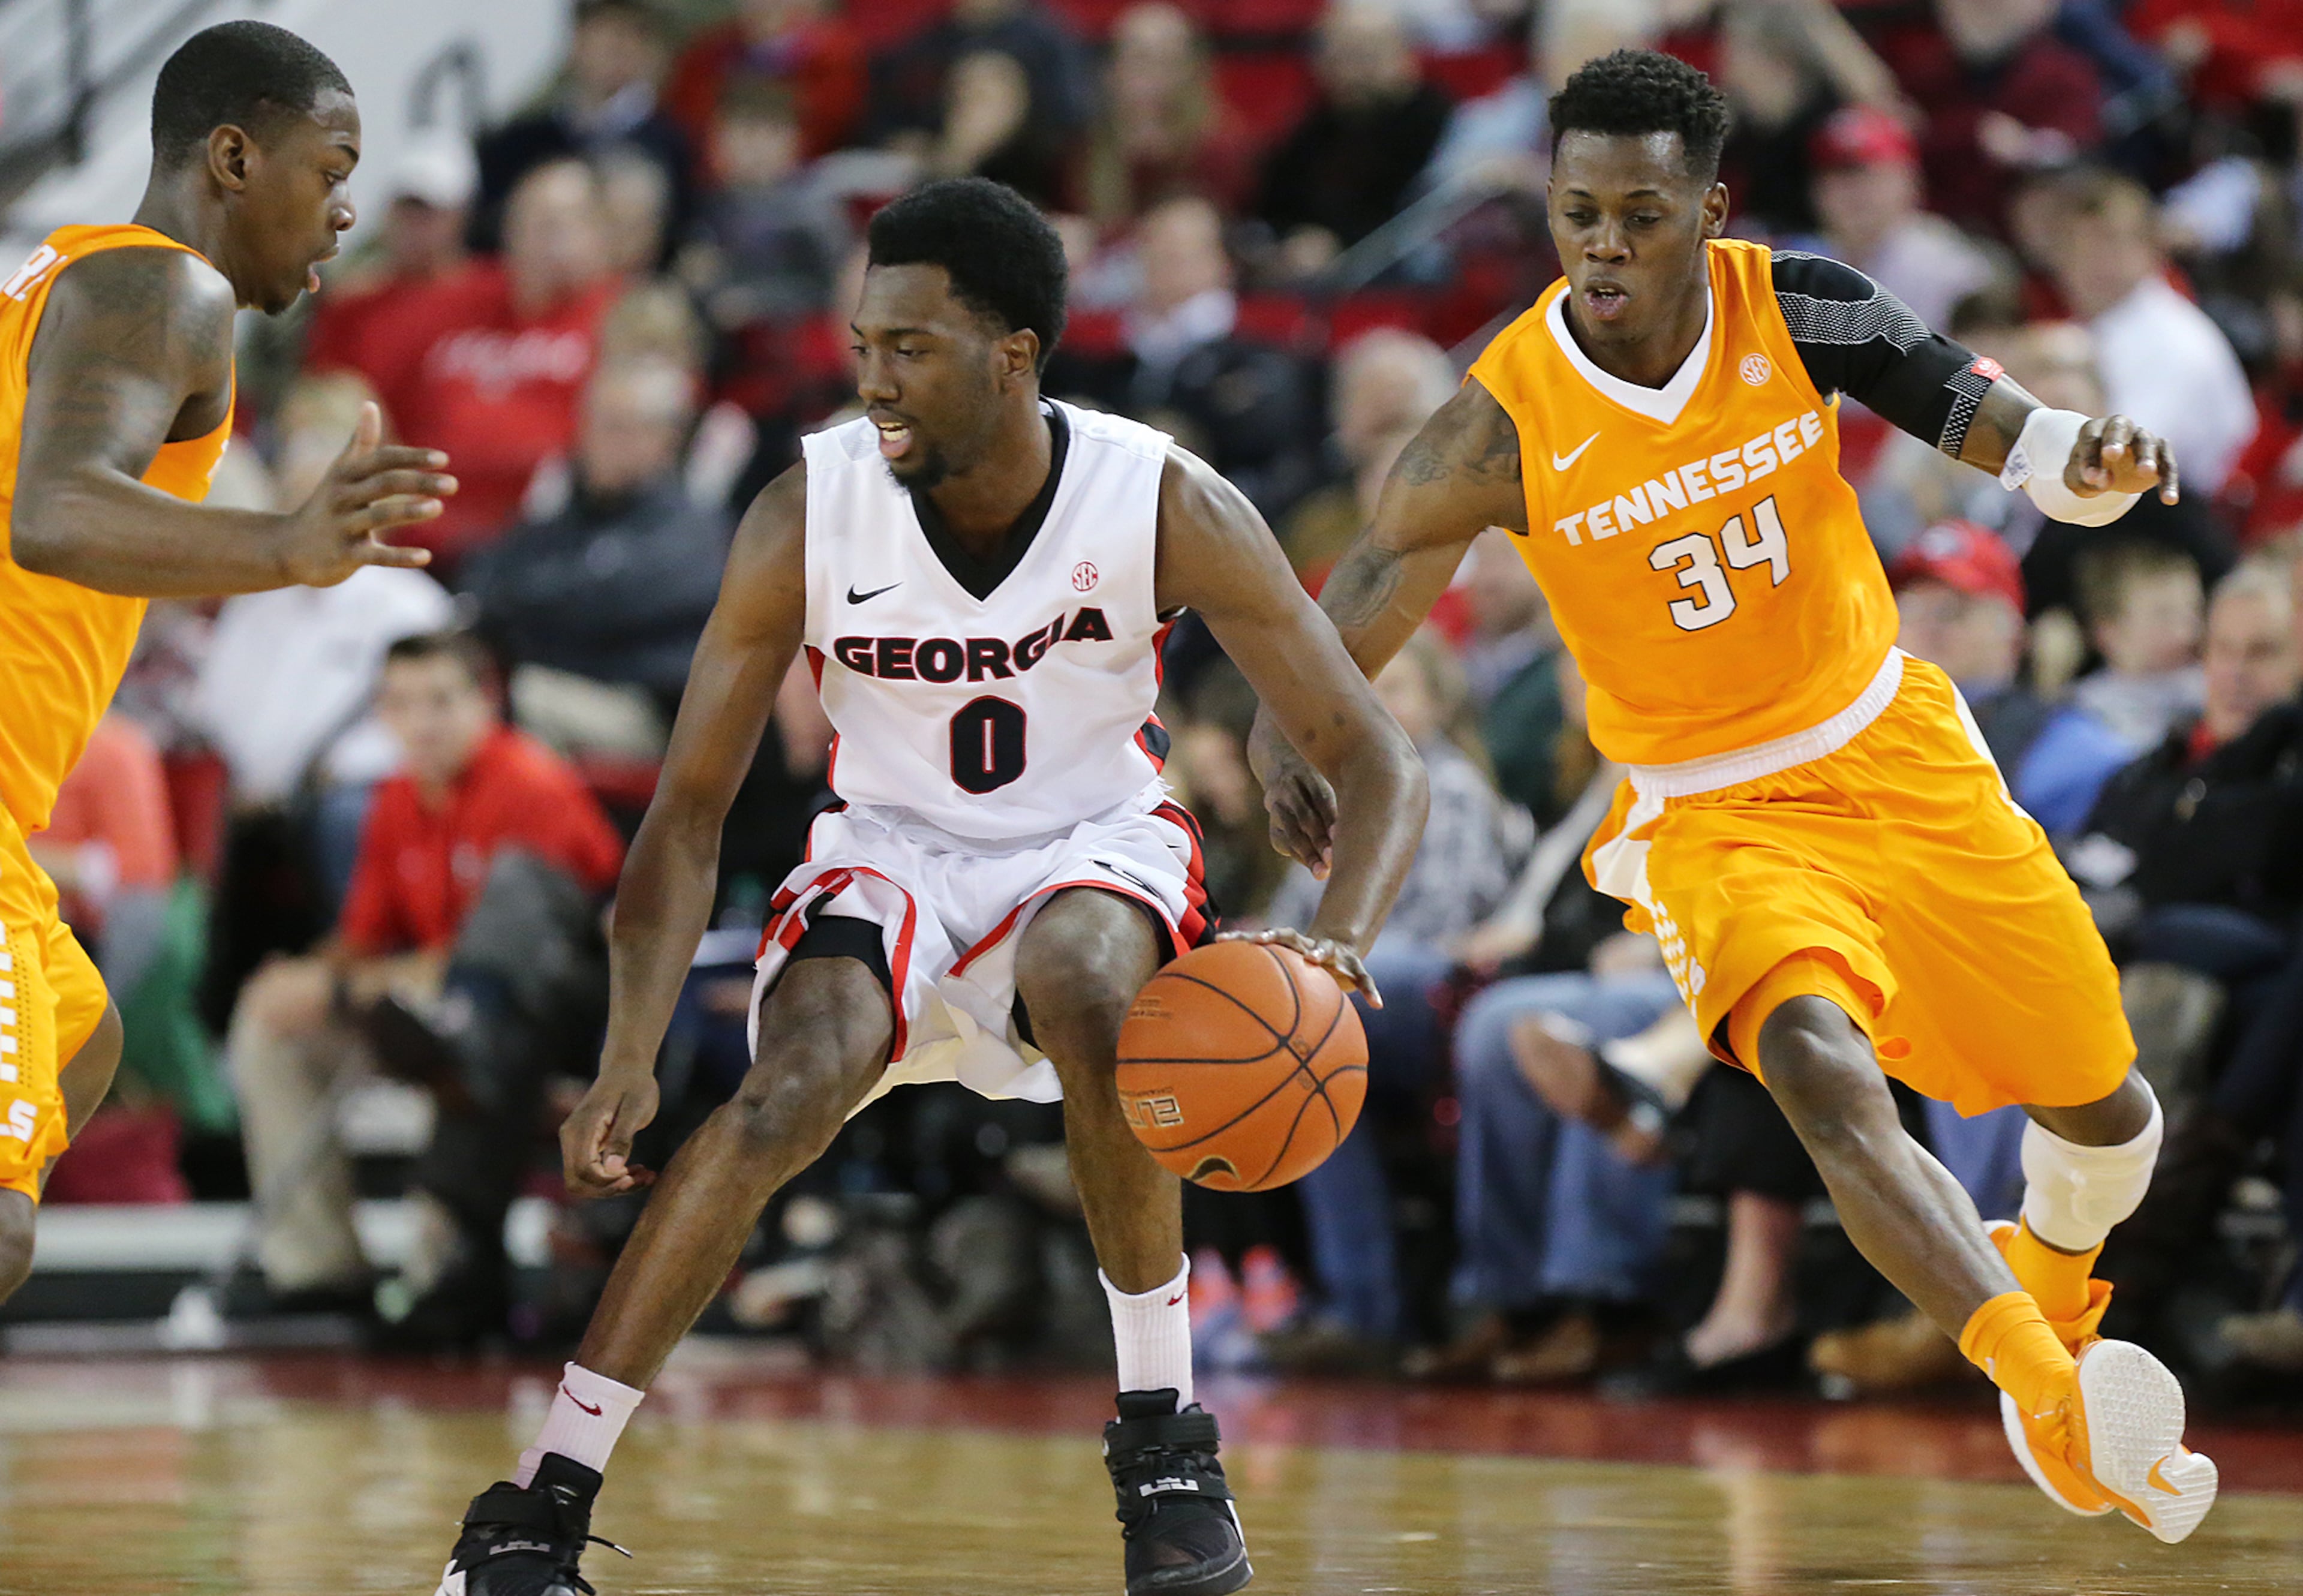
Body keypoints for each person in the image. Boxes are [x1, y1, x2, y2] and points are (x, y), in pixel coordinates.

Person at [1255, 49, 2218, 1544]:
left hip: (1891, 749)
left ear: (1707, 209)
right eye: (1576, 212)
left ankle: (2056, 1291)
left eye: (1639, 214)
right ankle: (2043, 1383)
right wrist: (1284, 727)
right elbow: (1370, 577)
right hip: (1714, 809)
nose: (1602, 246)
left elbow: (2008, 437)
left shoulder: (1799, 304)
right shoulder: (1503, 416)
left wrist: (2085, 459)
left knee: (2110, 1122)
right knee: (1819, 1071)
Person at [431, 178, 1427, 1596]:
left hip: (1092, 834)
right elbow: (689, 808)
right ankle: (540, 1504)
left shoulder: (1155, 497)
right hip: (887, 846)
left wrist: (1333, 951)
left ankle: (1163, 1440)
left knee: (1088, 977)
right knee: (786, 1087)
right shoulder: (806, 510)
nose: (871, 377)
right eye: (862, 342)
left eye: (908, 347)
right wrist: (627, 1055)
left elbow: (1374, 759)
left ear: (1011, 353)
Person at [0, 20, 454, 1305]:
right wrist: (289, 540)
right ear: (237, 155)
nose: (348, 207)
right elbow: (54, 513)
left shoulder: (66, 275)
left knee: (83, 1043)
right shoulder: (165, 289)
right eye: (333, 165)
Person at [226, 633, 626, 1323]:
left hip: (548, 1019)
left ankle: (440, 1272)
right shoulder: (398, 798)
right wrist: (305, 976)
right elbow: (366, 939)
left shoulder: (533, 787)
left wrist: (343, 989)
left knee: (453, 1023)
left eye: (442, 701)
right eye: (402, 704)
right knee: (271, 1026)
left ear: (487, 702)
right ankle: (317, 1266)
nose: (423, 722)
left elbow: (506, 966)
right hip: (426, 997)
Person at [2046, 168, 2257, 498]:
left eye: (2112, 243)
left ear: (2152, 250)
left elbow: (2122, 466)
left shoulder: (2172, 339)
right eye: (2079, 245)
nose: (2096, 262)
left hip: (2190, 516)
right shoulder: (2086, 331)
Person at [1253, 2, 1455, 274]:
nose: (1356, 71)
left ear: (1406, 56)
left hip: (1404, 277)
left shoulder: (1440, 125)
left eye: (1368, 54)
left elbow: (1422, 225)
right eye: (1341, 56)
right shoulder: (1314, 128)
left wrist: (1337, 244)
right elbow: (1274, 209)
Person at [1799, 107, 1995, 333]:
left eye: (1870, 177)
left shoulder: (1948, 269)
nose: (1854, 194)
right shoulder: (1806, 263)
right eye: (1837, 179)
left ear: (1910, 181)